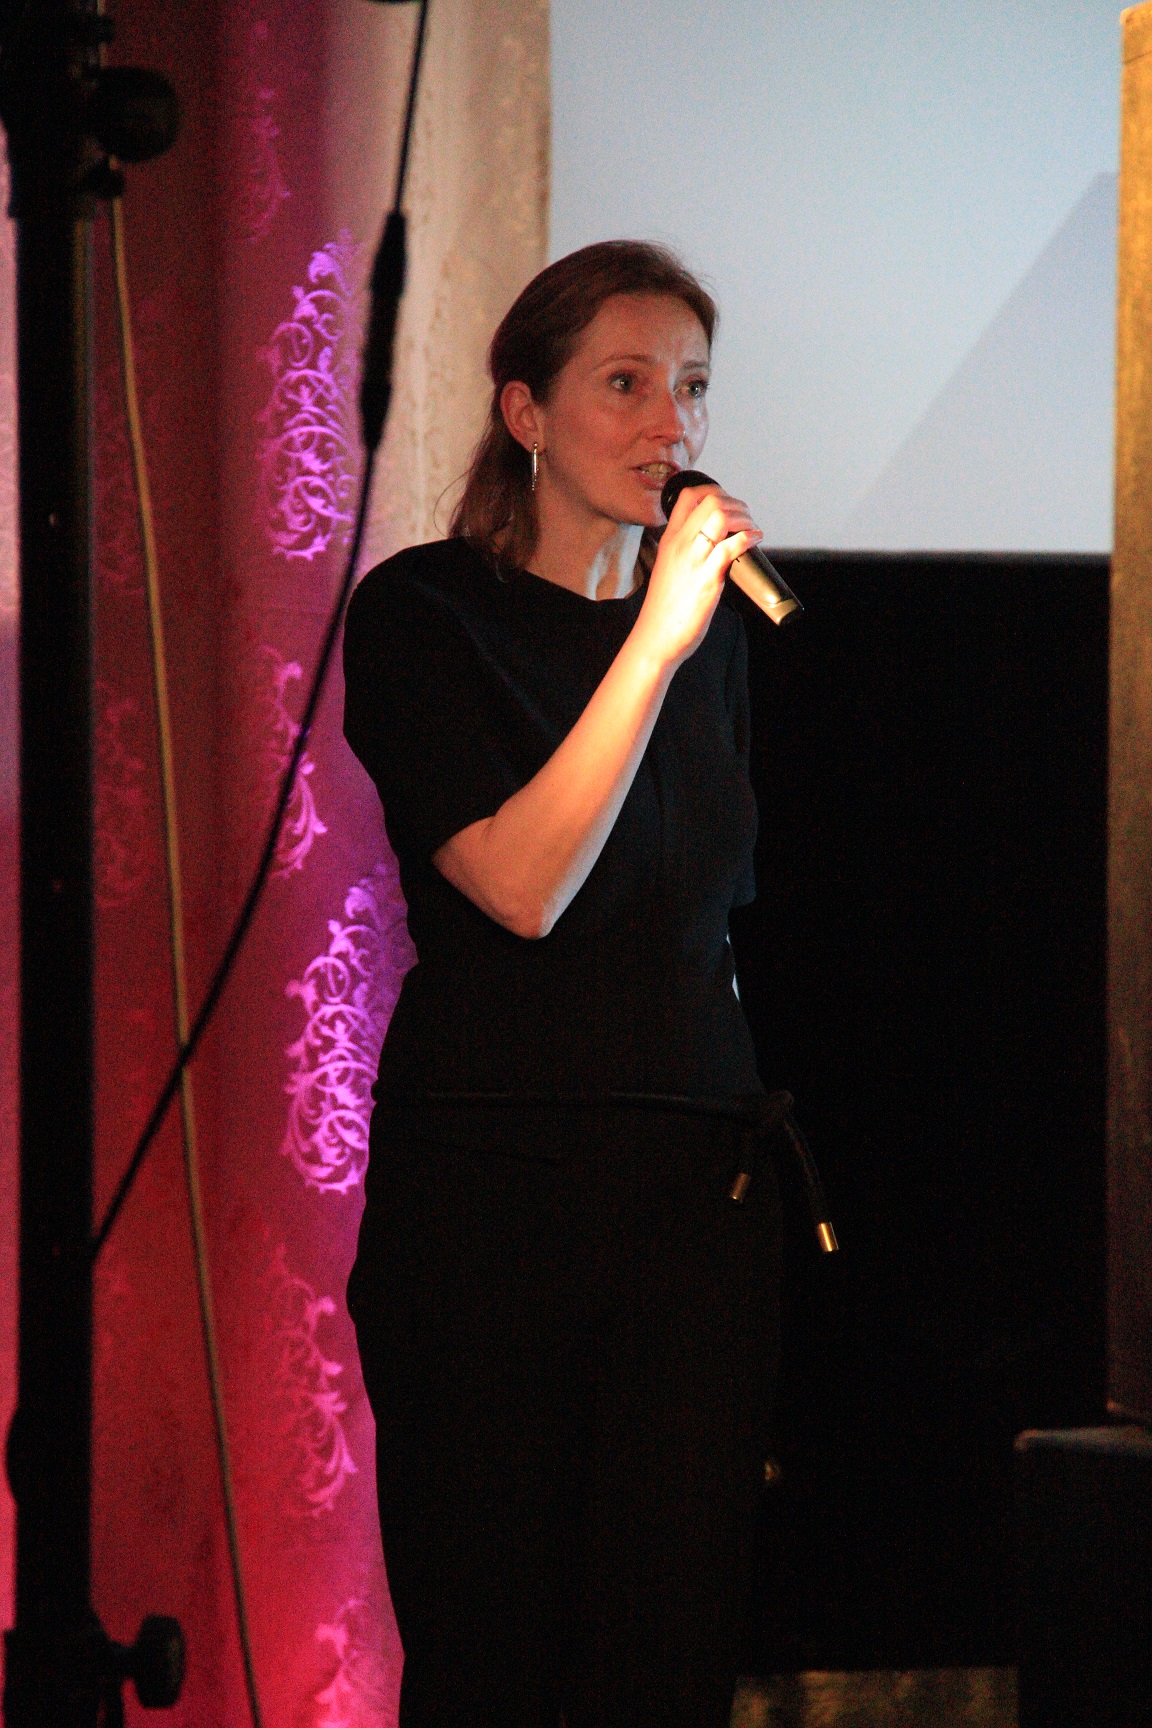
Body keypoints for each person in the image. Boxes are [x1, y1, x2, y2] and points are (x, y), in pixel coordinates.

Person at [342, 240, 781, 1728]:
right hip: (498, 1201)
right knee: (500, 1650)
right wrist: (653, 644)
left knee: (666, 1653)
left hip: (693, 1202)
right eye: (627, 383)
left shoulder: (705, 645)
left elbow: (706, 911)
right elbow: (523, 888)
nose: (673, 424)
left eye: (693, 388)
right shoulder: (427, 617)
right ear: (526, 412)